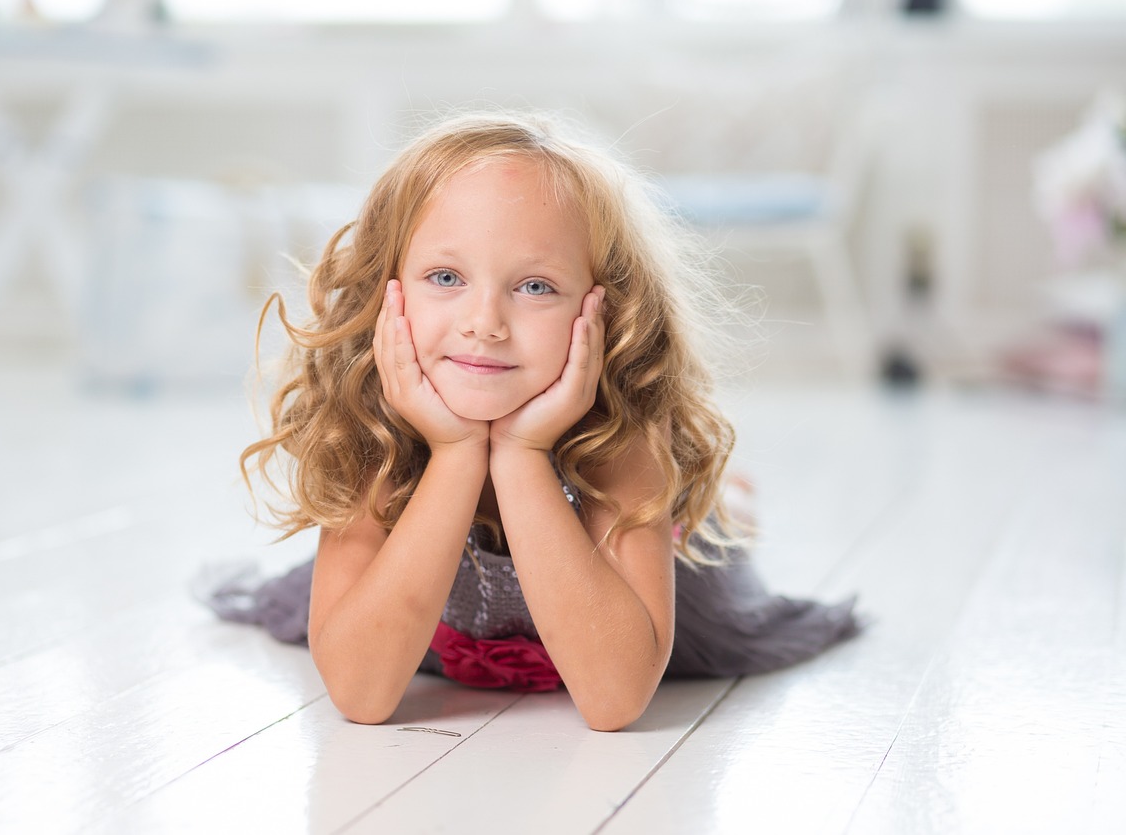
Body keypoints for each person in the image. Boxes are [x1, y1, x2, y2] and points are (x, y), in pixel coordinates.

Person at [199, 111, 859, 732]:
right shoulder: (375, 434)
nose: (484, 321)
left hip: (668, 593)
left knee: (716, 535)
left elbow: (613, 699)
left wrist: (521, 453)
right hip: (426, 632)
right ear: (385, 292)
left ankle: (727, 503)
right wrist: (456, 452)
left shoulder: (622, 443)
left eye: (535, 286)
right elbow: (361, 693)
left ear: (604, 310)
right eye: (445, 276)